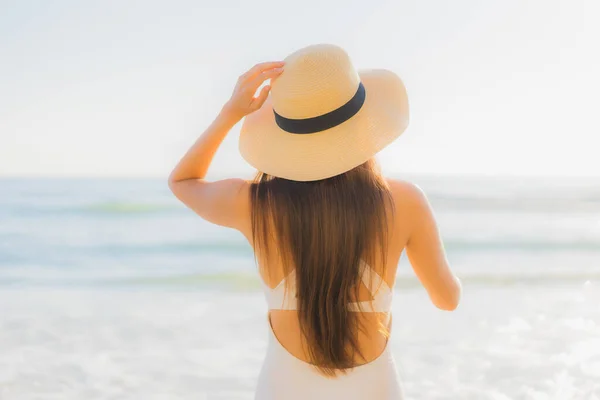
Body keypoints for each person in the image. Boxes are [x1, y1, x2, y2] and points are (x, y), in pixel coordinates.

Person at [168, 43, 462, 400]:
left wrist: (231, 113)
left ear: (287, 134)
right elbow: (447, 299)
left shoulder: (254, 202)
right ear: (364, 123)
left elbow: (182, 182)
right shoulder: (404, 200)